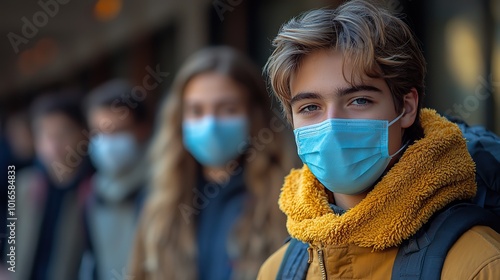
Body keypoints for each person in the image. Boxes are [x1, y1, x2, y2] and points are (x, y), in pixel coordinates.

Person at [258, 1, 500, 279]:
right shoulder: (276, 270)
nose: (332, 125)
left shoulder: (479, 266)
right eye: (310, 107)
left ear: (406, 107)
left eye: (359, 100)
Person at [129, 46, 298, 280]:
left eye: (228, 109)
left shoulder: (290, 199)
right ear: (179, 118)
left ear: (254, 114)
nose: (211, 124)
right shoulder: (156, 203)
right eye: (196, 110)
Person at [14, 92, 94, 280]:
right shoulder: (25, 184)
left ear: (84, 133)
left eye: (63, 133)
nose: (54, 144)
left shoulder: (93, 189)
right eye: (46, 135)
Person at [81, 79, 152, 280]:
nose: (107, 143)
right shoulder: (93, 193)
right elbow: (92, 261)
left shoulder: (166, 188)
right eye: (98, 133)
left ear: (143, 129)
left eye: (117, 131)